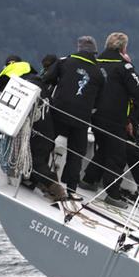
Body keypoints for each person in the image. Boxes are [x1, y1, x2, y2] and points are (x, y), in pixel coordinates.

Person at [80, 32, 139, 208]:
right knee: (118, 156)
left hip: (96, 116)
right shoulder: (123, 66)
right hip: (115, 118)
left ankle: (88, 180)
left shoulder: (98, 63)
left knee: (104, 149)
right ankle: (112, 195)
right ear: (123, 48)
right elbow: (137, 90)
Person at [0, 55, 66, 201]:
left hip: (36, 127)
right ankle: (43, 185)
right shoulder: (37, 79)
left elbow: (2, 102)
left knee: (34, 161)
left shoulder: (7, 75)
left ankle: (56, 189)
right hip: (48, 126)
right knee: (42, 155)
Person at [42, 36, 103, 198]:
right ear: (94, 52)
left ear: (79, 48)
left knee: (46, 142)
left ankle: (41, 178)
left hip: (58, 112)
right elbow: (99, 100)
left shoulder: (64, 62)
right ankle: (71, 189)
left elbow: (47, 79)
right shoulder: (99, 72)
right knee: (76, 154)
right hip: (81, 119)